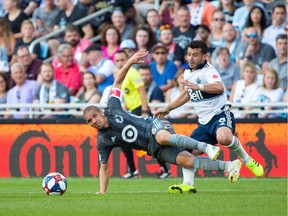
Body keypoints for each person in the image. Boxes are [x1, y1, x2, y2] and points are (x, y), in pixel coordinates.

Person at [83, 49, 242, 194]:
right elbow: (103, 168)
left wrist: (130, 61)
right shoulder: (103, 141)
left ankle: (207, 147)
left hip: (154, 125)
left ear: (101, 113)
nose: (93, 121)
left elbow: (117, 81)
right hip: (153, 149)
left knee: (162, 137)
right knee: (188, 161)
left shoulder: (112, 107)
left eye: (94, 116)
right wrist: (102, 192)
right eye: (89, 121)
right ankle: (229, 166)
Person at [154, 41, 264, 192]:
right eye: (189, 54)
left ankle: (247, 160)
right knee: (186, 153)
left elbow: (219, 87)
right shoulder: (187, 72)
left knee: (224, 138)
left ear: (204, 56)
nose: (191, 58)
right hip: (204, 123)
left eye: (195, 55)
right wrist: (168, 107)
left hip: (219, 114)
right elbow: (187, 94)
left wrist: (198, 86)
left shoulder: (209, 71)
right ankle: (187, 184)